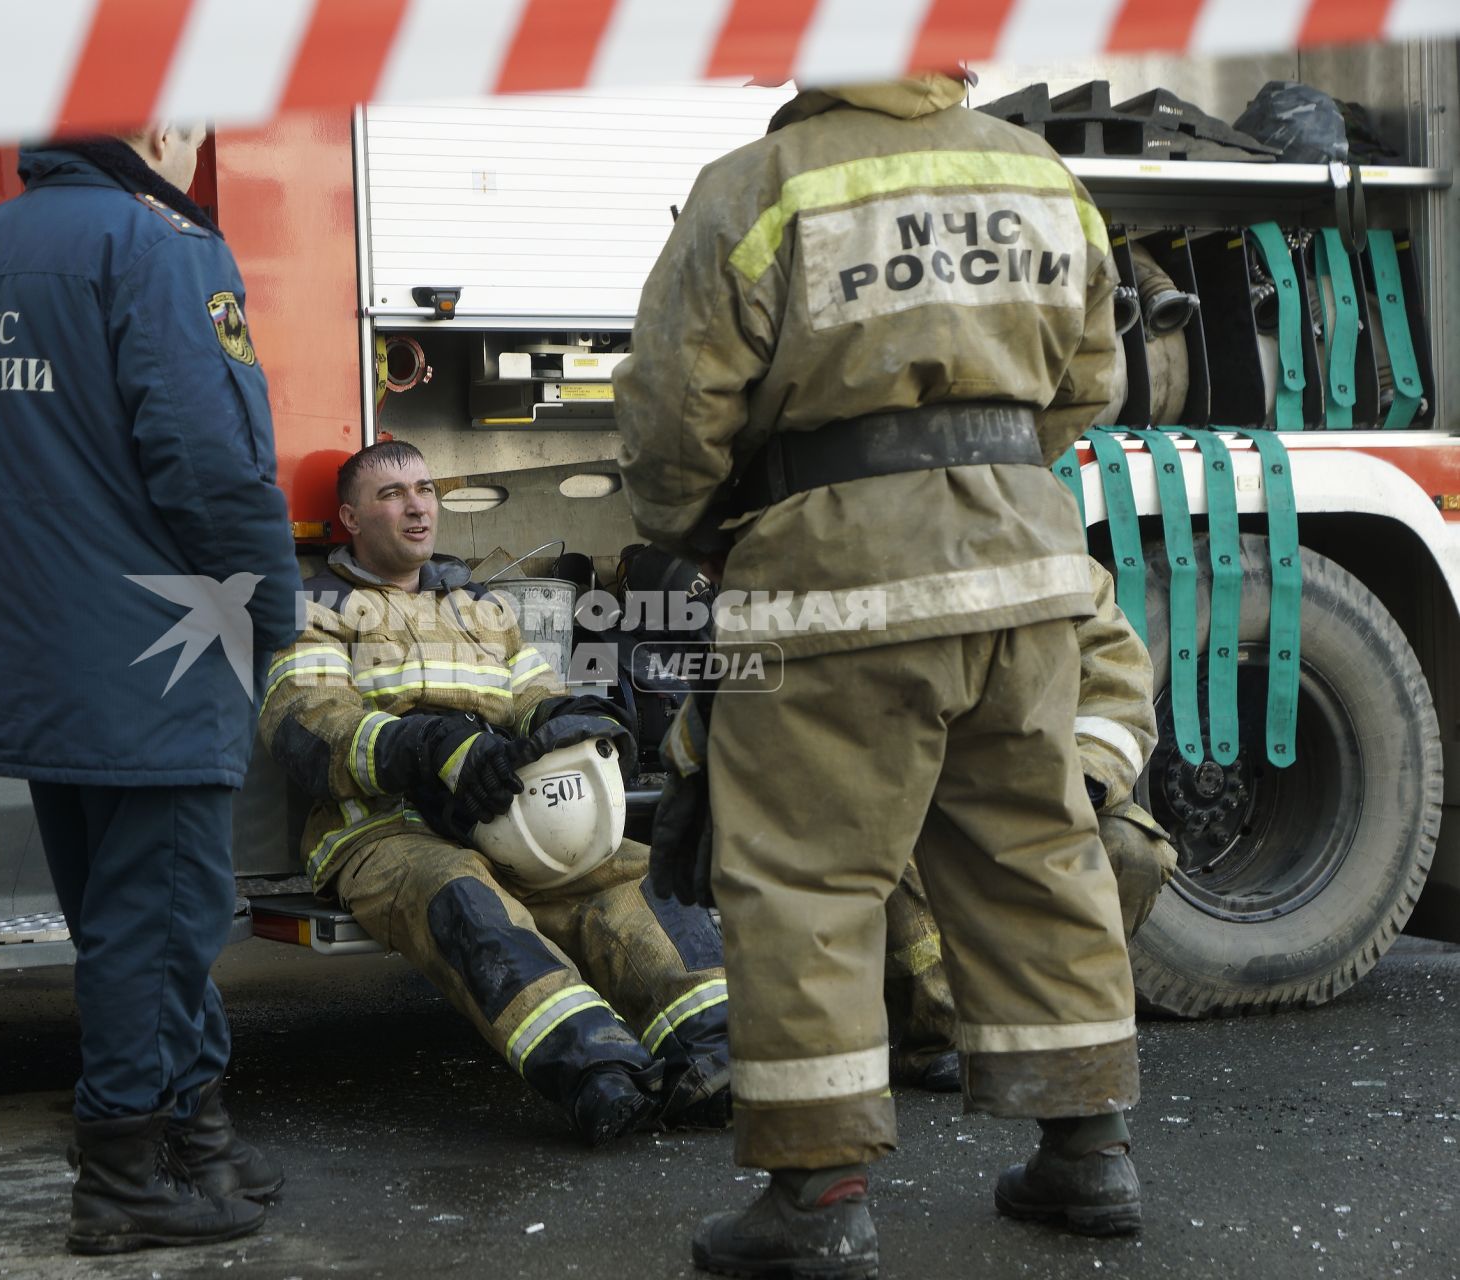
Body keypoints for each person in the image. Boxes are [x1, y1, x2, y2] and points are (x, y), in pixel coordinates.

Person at [616, 73, 1142, 1277]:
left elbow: (671, 405)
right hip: (1021, 564)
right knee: (1034, 849)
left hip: (830, 577)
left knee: (807, 876)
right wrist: (989, 477)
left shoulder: (756, 185)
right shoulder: (1034, 172)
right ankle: (1087, 1148)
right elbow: (1088, 381)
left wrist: (695, 525)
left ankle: (818, 1196)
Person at [0, 123, 300, 1256]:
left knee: (128, 917)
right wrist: (276, 616)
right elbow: (214, 463)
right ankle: (122, 1171)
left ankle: (194, 1139)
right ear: (152, 124)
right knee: (160, 919)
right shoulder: (161, 245)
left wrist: (40, 427)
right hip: (158, 637)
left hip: (31, 642)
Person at [258, 440, 731, 1146]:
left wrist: (573, 719)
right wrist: (424, 747)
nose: (417, 505)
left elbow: (532, 690)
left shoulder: (479, 606)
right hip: (385, 832)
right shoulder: (318, 609)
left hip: (504, 811)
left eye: (425, 488)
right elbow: (310, 724)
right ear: (350, 520)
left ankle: (715, 1051)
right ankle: (597, 1070)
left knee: (631, 873)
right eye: (392, 495)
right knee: (460, 891)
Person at [890, 558, 1178, 1091]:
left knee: (1131, 850)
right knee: (891, 861)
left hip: (1029, 792)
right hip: (912, 800)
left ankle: (1061, 1025)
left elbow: (1117, 690)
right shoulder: (888, 556)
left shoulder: (1060, 563)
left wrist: (1078, 787)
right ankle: (940, 1037)